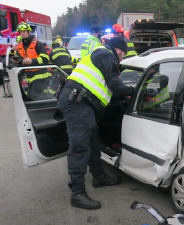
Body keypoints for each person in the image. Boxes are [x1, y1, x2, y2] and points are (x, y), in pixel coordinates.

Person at [57, 37, 134, 209]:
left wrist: (123, 92)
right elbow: (116, 86)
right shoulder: (107, 55)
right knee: (79, 147)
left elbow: (105, 86)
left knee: (92, 140)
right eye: (124, 54)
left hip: (79, 100)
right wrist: (133, 91)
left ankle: (99, 177)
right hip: (78, 102)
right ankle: (77, 193)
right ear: (119, 49)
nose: (122, 58)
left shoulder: (98, 54)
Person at [13, 22, 51, 100]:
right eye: (21, 32)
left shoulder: (37, 44)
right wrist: (17, 61)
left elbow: (45, 58)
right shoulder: (20, 46)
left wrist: (32, 60)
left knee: (36, 98)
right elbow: (21, 59)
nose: (22, 33)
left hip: (40, 76)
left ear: (29, 32)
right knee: (29, 97)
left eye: (24, 31)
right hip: (29, 77)